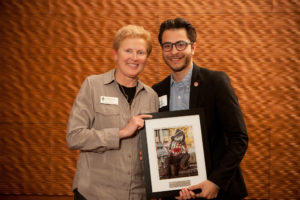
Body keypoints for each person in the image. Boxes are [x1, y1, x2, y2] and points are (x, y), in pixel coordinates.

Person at [152, 18, 248, 200]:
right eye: (167, 46)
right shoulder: (156, 91)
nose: (174, 51)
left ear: (193, 47)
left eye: (180, 44)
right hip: (174, 194)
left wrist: (215, 182)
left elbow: (239, 138)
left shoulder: (216, 82)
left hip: (216, 192)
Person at [66, 25, 159, 200]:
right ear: (115, 54)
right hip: (95, 193)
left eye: (140, 52)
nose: (134, 57)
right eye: (128, 51)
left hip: (137, 195)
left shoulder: (151, 96)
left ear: (147, 57)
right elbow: (74, 137)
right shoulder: (93, 86)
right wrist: (122, 133)